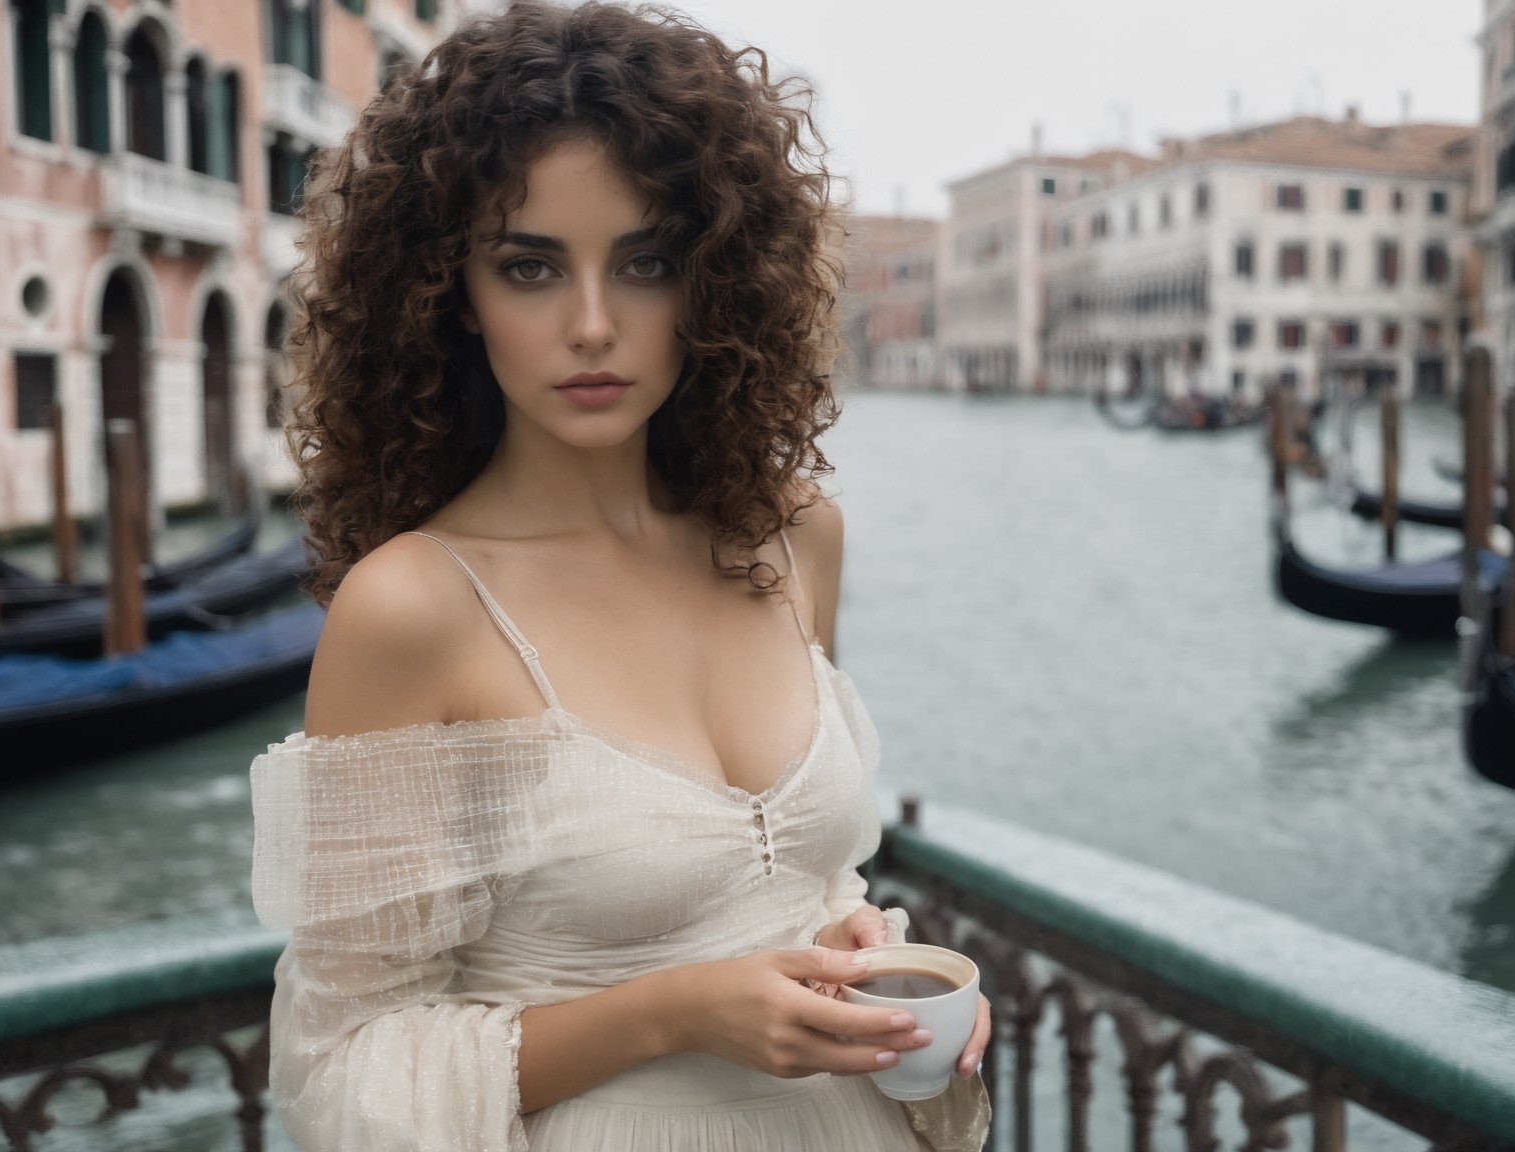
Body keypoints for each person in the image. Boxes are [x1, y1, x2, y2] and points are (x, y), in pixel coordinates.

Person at [247, 5, 991, 1150]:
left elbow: (811, 883)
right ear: (450, 293)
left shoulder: (796, 539)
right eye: (529, 266)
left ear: (715, 283)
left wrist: (868, 961)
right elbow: (342, 1068)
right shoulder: (413, 610)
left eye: (645, 263)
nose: (593, 325)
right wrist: (671, 1015)